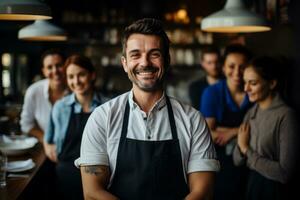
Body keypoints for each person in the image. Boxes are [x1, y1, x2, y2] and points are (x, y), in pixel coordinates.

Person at [75, 18, 220, 200]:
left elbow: (202, 193)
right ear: (125, 63)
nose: (145, 63)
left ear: (167, 61)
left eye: (154, 54)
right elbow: (92, 193)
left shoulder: (192, 120)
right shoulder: (102, 117)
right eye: (135, 54)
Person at [233, 56, 299, 200]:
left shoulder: (286, 116)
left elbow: (285, 174)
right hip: (252, 186)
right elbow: (237, 160)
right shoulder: (251, 112)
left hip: (276, 191)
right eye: (245, 82)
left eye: (253, 83)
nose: (246, 89)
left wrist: (245, 149)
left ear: (272, 83)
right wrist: (241, 149)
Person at [44, 54, 107, 200]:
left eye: (81, 75)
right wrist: (48, 146)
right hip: (65, 175)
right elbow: (48, 139)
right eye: (71, 76)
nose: (76, 81)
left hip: (97, 175)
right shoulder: (60, 107)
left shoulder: (107, 106)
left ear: (92, 75)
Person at [200, 44, 253, 200]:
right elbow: (208, 133)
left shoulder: (254, 90)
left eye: (242, 66)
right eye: (231, 66)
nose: (237, 72)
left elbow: (263, 128)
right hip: (221, 163)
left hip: (252, 161)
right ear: (223, 68)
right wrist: (242, 131)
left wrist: (230, 131)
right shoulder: (213, 92)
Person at [20, 49, 68, 142]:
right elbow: (26, 124)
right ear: (44, 71)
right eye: (49, 67)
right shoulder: (33, 91)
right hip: (42, 145)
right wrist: (46, 141)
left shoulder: (76, 91)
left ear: (66, 67)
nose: (55, 71)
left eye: (59, 65)